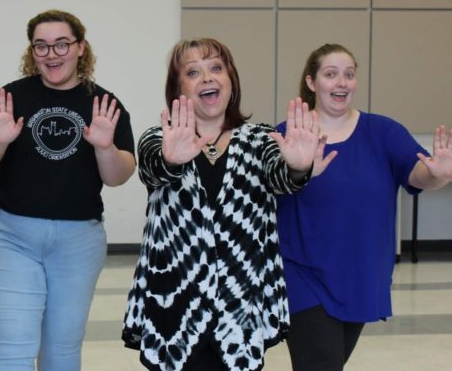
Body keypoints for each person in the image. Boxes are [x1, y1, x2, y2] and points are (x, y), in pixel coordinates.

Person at [122, 37, 324, 371]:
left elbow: (281, 179)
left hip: (239, 307)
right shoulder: (160, 138)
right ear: (178, 89)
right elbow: (152, 169)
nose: (207, 77)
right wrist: (171, 160)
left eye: (216, 68)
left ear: (231, 81)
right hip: (175, 307)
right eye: (193, 72)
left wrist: (299, 167)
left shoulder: (260, 139)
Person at [276, 43, 452, 371]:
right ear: (311, 82)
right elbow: (269, 186)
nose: (342, 82)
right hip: (302, 274)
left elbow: (418, 174)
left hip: (360, 275)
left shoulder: (383, 132)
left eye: (349, 74)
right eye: (331, 74)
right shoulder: (288, 134)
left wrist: (438, 174)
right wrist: (297, 167)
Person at [0, 9, 136, 370]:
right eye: (41, 46)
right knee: (13, 348)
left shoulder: (104, 105)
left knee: (62, 350)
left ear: (80, 47)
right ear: (32, 52)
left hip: (78, 240)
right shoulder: (9, 98)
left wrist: (105, 147)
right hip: (6, 235)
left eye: (62, 44)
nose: (52, 54)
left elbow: (118, 175)